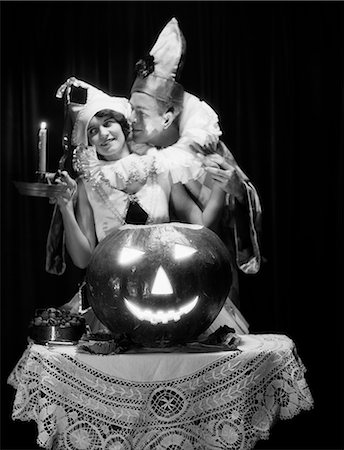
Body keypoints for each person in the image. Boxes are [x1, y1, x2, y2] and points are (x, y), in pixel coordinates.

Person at [50, 78, 228, 332]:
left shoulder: (160, 168)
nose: (102, 134)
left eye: (108, 123)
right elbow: (83, 259)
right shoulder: (86, 184)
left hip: (170, 290)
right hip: (114, 296)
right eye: (92, 130)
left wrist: (220, 187)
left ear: (123, 126)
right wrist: (67, 208)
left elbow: (201, 226)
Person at [128, 18, 262, 334]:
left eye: (141, 113)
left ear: (169, 116)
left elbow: (213, 216)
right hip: (152, 278)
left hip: (203, 274)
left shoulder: (203, 149)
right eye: (131, 109)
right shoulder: (138, 154)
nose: (131, 119)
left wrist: (234, 191)